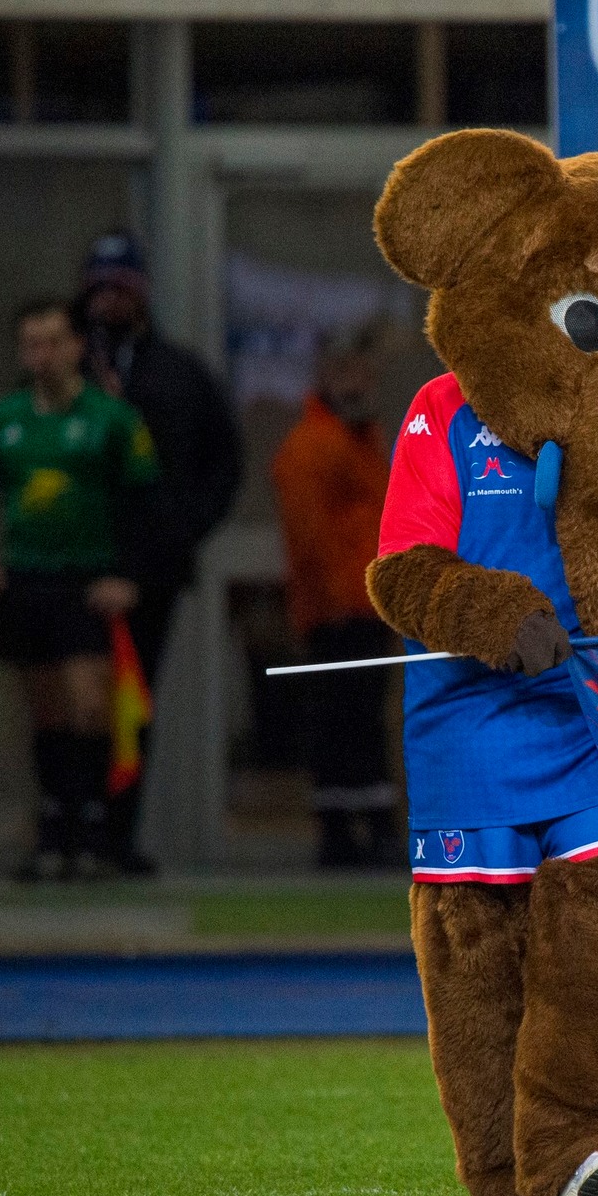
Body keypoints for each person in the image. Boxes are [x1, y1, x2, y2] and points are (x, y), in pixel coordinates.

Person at [0, 300, 158, 879]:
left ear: (75, 347)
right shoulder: (3, 420)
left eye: (51, 342)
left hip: (86, 581)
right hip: (26, 579)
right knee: (44, 710)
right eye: (30, 344)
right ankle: (53, 828)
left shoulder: (112, 419)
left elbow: (146, 504)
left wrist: (129, 576)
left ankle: (93, 827)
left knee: (89, 703)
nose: (40, 355)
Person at [77, 231, 243, 872]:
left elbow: (223, 462)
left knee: (130, 702)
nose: (108, 300)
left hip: (152, 570)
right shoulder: (68, 368)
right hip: (72, 565)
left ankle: (116, 837)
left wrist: (180, 532)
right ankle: (68, 831)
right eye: (99, 288)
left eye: (120, 287)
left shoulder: (178, 373)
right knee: (69, 703)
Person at [271, 328, 397, 868]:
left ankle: (360, 827)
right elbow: (311, 539)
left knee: (357, 718)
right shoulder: (315, 445)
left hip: (363, 605)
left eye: (361, 372)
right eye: (344, 371)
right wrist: (333, 604)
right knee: (344, 720)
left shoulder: (358, 439)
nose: (356, 383)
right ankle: (348, 831)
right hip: (339, 611)